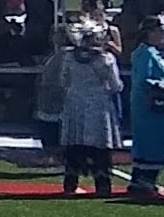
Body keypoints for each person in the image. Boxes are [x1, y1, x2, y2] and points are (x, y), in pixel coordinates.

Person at [49, 25, 125, 195]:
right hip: (97, 104)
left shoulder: (69, 57)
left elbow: (62, 81)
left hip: (74, 101)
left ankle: (71, 180)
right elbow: (115, 86)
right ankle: (102, 183)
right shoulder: (105, 59)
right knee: (99, 145)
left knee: (74, 142)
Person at [120, 26, 164, 202]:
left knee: (154, 140)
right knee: (152, 141)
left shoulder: (151, 52)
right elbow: (144, 79)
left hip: (156, 103)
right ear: (149, 32)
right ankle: (143, 180)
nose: (162, 35)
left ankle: (143, 179)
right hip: (150, 104)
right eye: (159, 31)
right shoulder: (145, 53)